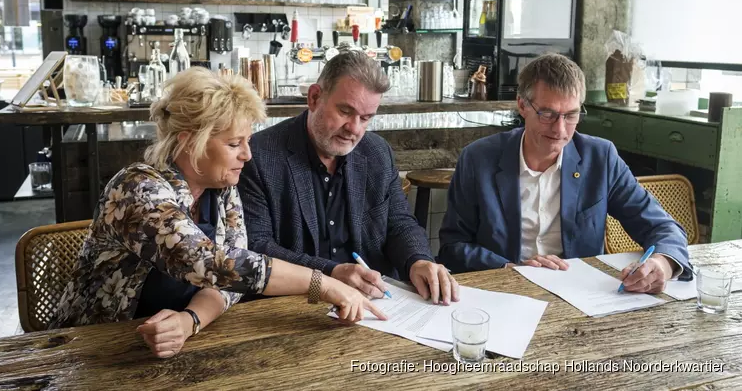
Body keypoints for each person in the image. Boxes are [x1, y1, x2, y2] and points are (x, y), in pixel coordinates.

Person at [51, 67, 386, 358]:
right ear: (188, 141)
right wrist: (322, 283)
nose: (247, 156)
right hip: (91, 347)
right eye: (233, 144)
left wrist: (190, 320)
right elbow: (214, 264)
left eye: (247, 141)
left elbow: (231, 281)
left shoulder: (222, 190)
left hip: (172, 347)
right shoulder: (138, 189)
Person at [439, 53, 691, 293]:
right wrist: (510, 268)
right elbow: (453, 246)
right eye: (547, 114)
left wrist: (662, 265)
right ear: (522, 105)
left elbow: (662, 226)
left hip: (580, 294)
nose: (560, 129)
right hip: (504, 288)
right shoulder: (478, 158)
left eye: (571, 115)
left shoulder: (600, 158)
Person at [239, 51, 459, 305]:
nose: (355, 129)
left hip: (376, 302)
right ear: (314, 98)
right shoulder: (260, 155)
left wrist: (418, 260)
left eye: (366, 118)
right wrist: (331, 273)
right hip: (293, 304)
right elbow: (258, 247)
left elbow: (399, 223)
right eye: (345, 111)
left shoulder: (376, 152)